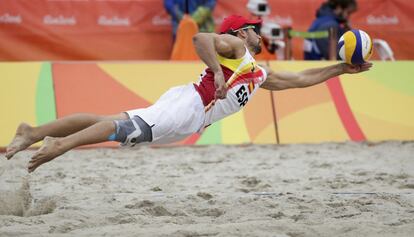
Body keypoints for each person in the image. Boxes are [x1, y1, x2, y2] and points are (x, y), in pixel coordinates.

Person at [4, 15, 372, 173]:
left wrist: (342, 68)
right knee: (124, 128)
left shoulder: (258, 73)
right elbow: (200, 38)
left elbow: (301, 79)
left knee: (112, 121)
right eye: (255, 29)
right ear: (242, 33)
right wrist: (216, 69)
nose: (260, 34)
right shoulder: (236, 46)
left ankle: (32, 132)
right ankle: (58, 145)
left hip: (190, 110)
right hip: (189, 106)